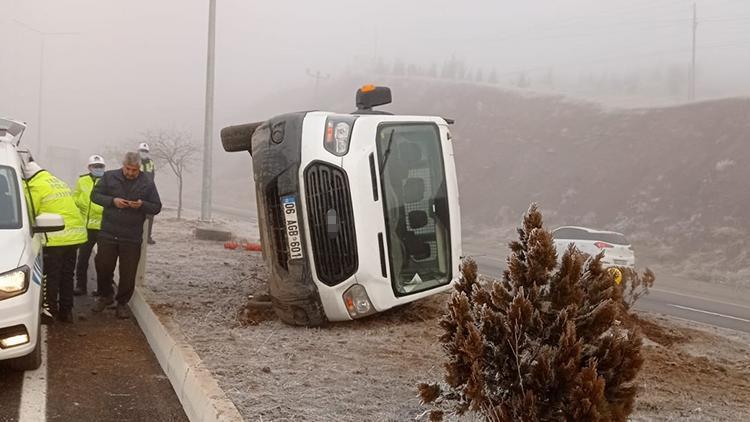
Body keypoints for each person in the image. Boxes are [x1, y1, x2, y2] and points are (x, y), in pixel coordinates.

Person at [92, 152, 161, 319]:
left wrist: (142, 205)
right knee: (103, 265)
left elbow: (156, 206)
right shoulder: (109, 177)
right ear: (123, 166)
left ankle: (122, 303)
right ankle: (105, 295)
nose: (130, 173)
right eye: (128, 169)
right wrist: (112, 201)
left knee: (128, 272)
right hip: (109, 232)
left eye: (134, 170)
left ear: (139, 169)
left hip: (131, 235)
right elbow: (95, 196)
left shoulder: (147, 182)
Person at [23, 160, 88, 323]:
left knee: (50, 276)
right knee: (67, 275)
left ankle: (49, 311)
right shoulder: (56, 180)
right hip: (75, 236)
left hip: (56, 237)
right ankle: (66, 312)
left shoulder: (33, 187)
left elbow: (29, 214)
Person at [73, 155, 106, 296]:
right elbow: (76, 196)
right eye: (95, 166)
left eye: (101, 166)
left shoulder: (108, 181)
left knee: (103, 261)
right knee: (82, 259)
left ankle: (102, 289)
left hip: (102, 227)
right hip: (86, 227)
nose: (98, 169)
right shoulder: (82, 180)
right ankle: (81, 286)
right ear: (89, 167)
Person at [137, 142, 156, 245]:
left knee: (150, 214)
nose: (143, 153)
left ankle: (148, 236)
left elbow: (152, 176)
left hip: (148, 191)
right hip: (136, 191)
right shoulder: (134, 161)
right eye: (142, 151)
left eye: (145, 151)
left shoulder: (151, 163)